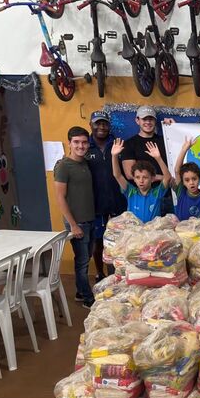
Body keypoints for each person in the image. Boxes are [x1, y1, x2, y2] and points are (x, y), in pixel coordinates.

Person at [53, 126, 96, 307]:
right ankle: (88, 298)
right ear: (69, 143)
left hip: (90, 218)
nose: (81, 146)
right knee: (82, 262)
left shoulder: (85, 163)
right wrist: (73, 225)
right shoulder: (63, 166)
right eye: (76, 142)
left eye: (84, 142)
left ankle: (80, 291)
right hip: (77, 222)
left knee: (86, 258)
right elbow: (60, 197)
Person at [85, 110, 126, 282]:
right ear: (91, 125)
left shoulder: (117, 143)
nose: (101, 127)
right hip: (96, 202)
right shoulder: (85, 146)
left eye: (104, 123)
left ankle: (118, 272)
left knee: (120, 239)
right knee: (98, 240)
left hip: (118, 200)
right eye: (98, 123)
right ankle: (100, 272)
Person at [119, 106, 174, 215]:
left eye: (151, 119)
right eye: (144, 119)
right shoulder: (129, 144)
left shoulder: (165, 141)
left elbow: (181, 147)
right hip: (143, 198)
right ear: (137, 120)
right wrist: (161, 177)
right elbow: (130, 174)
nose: (148, 122)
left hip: (166, 197)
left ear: (155, 121)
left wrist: (173, 128)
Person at [111, 138, 172, 222]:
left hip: (152, 231)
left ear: (152, 178)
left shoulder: (157, 193)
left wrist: (158, 158)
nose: (141, 180)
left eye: (145, 177)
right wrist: (114, 156)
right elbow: (117, 175)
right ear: (134, 179)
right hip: (135, 231)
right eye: (137, 177)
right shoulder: (130, 191)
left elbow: (167, 177)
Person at [172, 136, 200, 220]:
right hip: (180, 231)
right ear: (183, 181)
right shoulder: (181, 192)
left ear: (199, 179)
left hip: (196, 232)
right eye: (187, 180)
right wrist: (184, 149)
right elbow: (177, 171)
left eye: (194, 179)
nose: (191, 182)